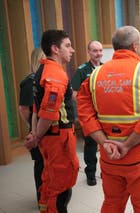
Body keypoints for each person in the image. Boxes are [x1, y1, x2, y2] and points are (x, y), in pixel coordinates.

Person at [76, 26, 140, 213]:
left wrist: (104, 142)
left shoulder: (94, 76)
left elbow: (85, 115)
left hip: (110, 157)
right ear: (135, 46)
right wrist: (127, 145)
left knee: (112, 204)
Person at [24, 29, 79, 213]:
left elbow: (36, 110)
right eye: (68, 46)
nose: (72, 50)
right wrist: (36, 136)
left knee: (49, 180)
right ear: (55, 49)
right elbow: (48, 112)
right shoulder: (55, 74)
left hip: (51, 137)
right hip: (58, 139)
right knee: (61, 187)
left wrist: (35, 134)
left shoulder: (43, 70)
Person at [72, 40, 103, 186]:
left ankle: (107, 171)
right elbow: (74, 93)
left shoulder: (106, 68)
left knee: (106, 143)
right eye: (95, 51)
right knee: (90, 144)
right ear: (89, 52)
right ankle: (90, 173)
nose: (98, 53)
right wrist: (86, 108)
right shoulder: (82, 70)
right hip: (90, 114)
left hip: (105, 114)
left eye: (100, 50)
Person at [19, 48, 45, 203]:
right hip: (37, 130)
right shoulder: (30, 82)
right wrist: (33, 126)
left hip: (45, 129)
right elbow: (23, 108)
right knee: (41, 165)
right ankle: (41, 198)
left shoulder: (42, 79)